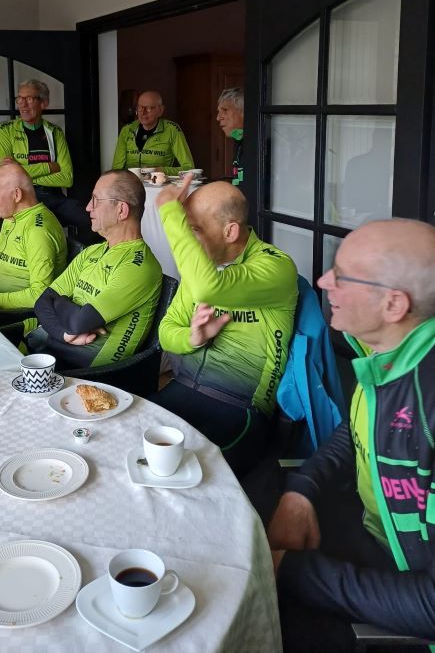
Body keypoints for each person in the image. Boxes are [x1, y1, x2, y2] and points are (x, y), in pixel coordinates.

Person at [268, 219, 435, 652]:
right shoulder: (391, 354)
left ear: (393, 304)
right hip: (364, 530)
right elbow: (358, 429)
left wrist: (294, 571)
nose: (323, 282)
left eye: (341, 276)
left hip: (404, 583)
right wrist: (302, 490)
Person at [150, 174, 298, 475]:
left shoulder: (275, 265)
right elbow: (166, 333)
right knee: (124, 442)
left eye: (194, 229)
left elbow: (208, 288)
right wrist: (192, 338)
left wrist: (169, 211)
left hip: (239, 407)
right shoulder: (200, 269)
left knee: (187, 473)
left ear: (230, 231)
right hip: (181, 388)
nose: (189, 241)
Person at [9, 169, 162, 369]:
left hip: (85, 374)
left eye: (96, 200)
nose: (88, 207)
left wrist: (61, 303)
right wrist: (65, 332)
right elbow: (42, 302)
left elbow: (78, 323)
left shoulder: (139, 267)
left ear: (121, 210)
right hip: (52, 351)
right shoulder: (92, 251)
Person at [0, 163, 66, 324]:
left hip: (13, 316)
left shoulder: (38, 231)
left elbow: (39, 295)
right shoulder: (11, 217)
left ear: (17, 195)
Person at [0, 79, 90, 236]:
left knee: (89, 219)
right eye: (20, 99)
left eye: (29, 99)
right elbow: (5, 174)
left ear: (43, 103)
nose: (23, 105)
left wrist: (20, 170)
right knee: (39, 228)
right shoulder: (6, 130)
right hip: (23, 200)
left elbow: (67, 178)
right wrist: (49, 167)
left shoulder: (55, 132)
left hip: (54, 197)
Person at [112, 90, 194, 176]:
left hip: (158, 182)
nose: (143, 113)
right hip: (130, 182)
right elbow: (117, 168)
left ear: (160, 110)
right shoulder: (127, 130)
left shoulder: (172, 129)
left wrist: (160, 170)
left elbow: (189, 168)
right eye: (140, 107)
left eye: (149, 108)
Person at [216, 87, 244, 185]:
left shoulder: (258, 144)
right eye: (218, 111)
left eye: (225, 110)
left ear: (244, 112)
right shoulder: (239, 139)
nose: (218, 118)